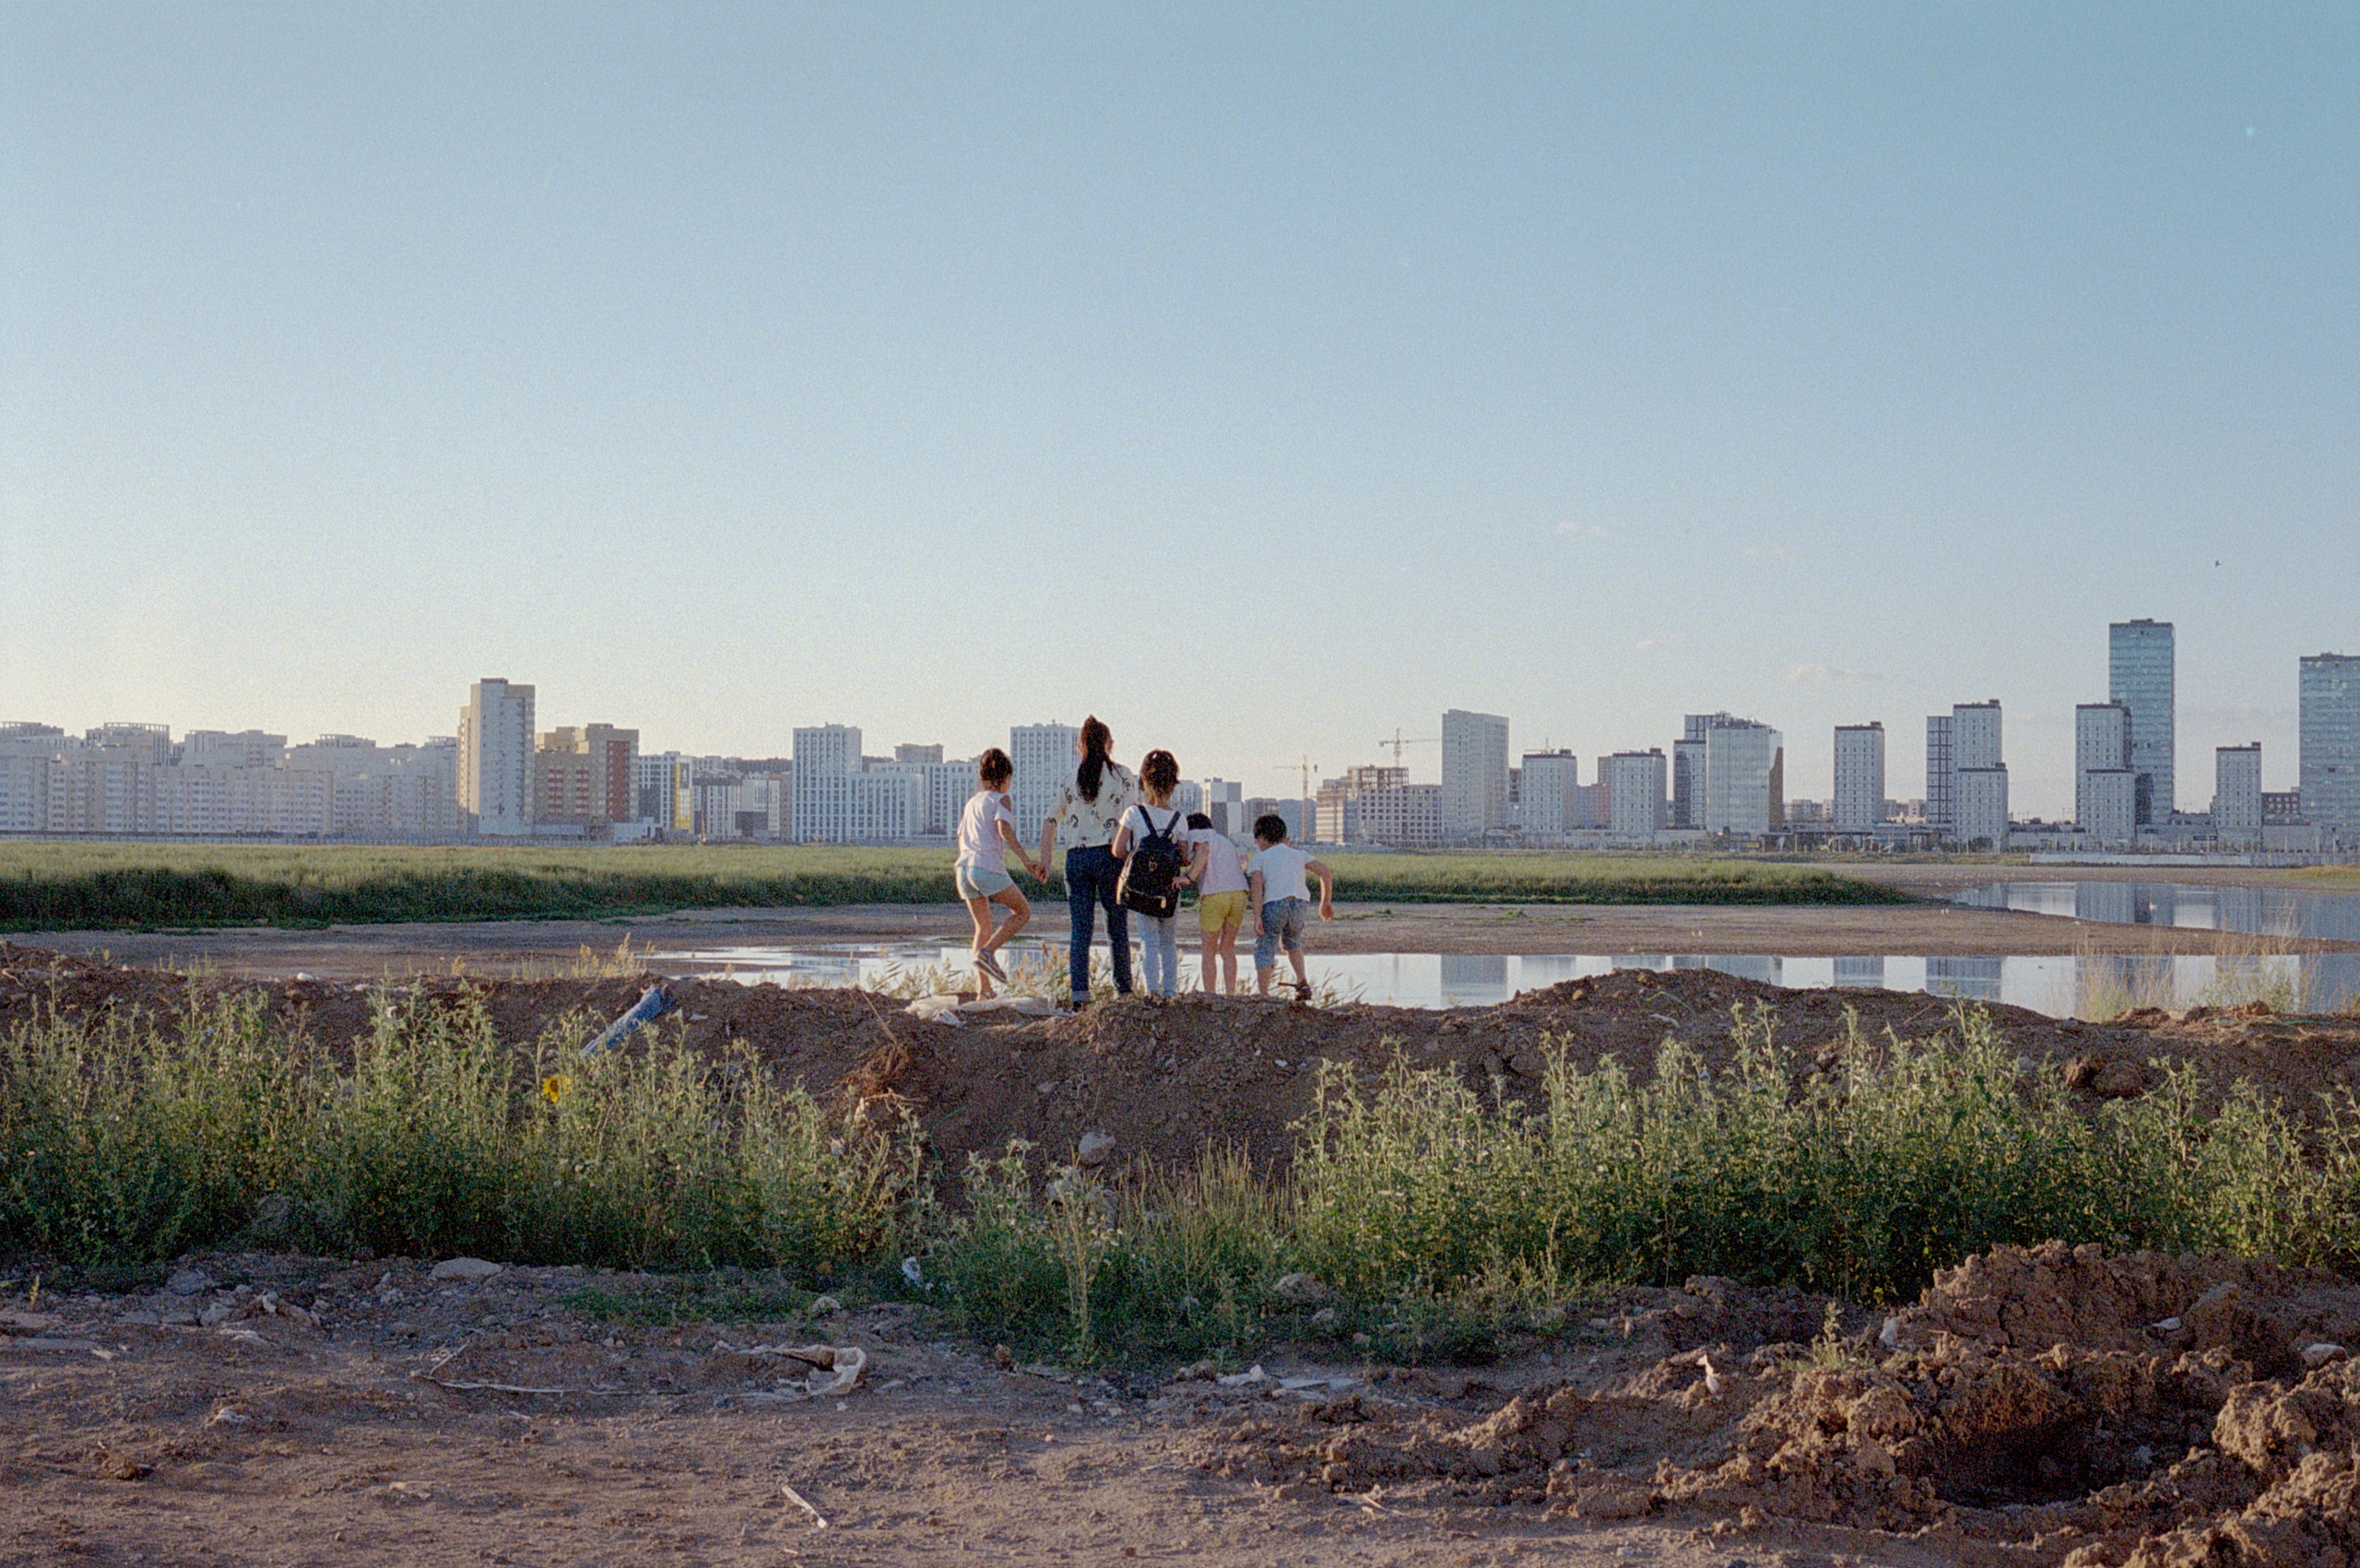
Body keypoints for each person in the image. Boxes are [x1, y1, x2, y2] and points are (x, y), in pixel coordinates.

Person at [1037, 715, 1139, 1008]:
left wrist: (1046, 861)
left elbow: (1050, 820)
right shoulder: (1123, 776)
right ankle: (1123, 994)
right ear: (1109, 744)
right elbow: (1133, 818)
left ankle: (1079, 997)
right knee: (1116, 928)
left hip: (1076, 859)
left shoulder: (1070, 779)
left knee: (1080, 931)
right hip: (1111, 856)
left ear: (1079, 746)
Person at [954, 749, 1045, 997]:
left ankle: (984, 990)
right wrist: (1027, 861)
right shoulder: (1001, 799)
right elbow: (1004, 830)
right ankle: (987, 953)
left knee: (982, 928)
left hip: (963, 869)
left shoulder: (972, 802)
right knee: (1022, 911)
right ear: (1005, 777)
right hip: (985, 867)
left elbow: (962, 836)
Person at [1112, 749, 1188, 997]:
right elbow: (1184, 858)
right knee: (1168, 940)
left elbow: (1117, 849)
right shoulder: (1180, 819)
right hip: (1169, 888)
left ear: (1144, 782)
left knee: (1148, 941)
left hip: (1142, 889)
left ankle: (1152, 990)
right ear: (1173, 785)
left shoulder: (1133, 813)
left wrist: (1136, 864)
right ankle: (1170, 992)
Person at [1245, 812, 1335, 997]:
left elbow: (1256, 889)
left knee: (1265, 946)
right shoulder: (1299, 854)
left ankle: (1263, 994)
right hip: (1299, 903)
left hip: (1274, 904)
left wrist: (1257, 916)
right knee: (1293, 943)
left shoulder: (1260, 858)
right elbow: (1325, 872)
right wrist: (1325, 902)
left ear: (1261, 839)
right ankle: (1302, 984)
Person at [1183, 809, 1250, 994]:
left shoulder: (1196, 834)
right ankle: (1230, 994)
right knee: (1227, 948)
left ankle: (1210, 994)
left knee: (1208, 950)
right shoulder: (1225, 841)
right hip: (1239, 893)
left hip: (1215, 894)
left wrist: (1189, 877)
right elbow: (1241, 864)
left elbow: (1203, 851)